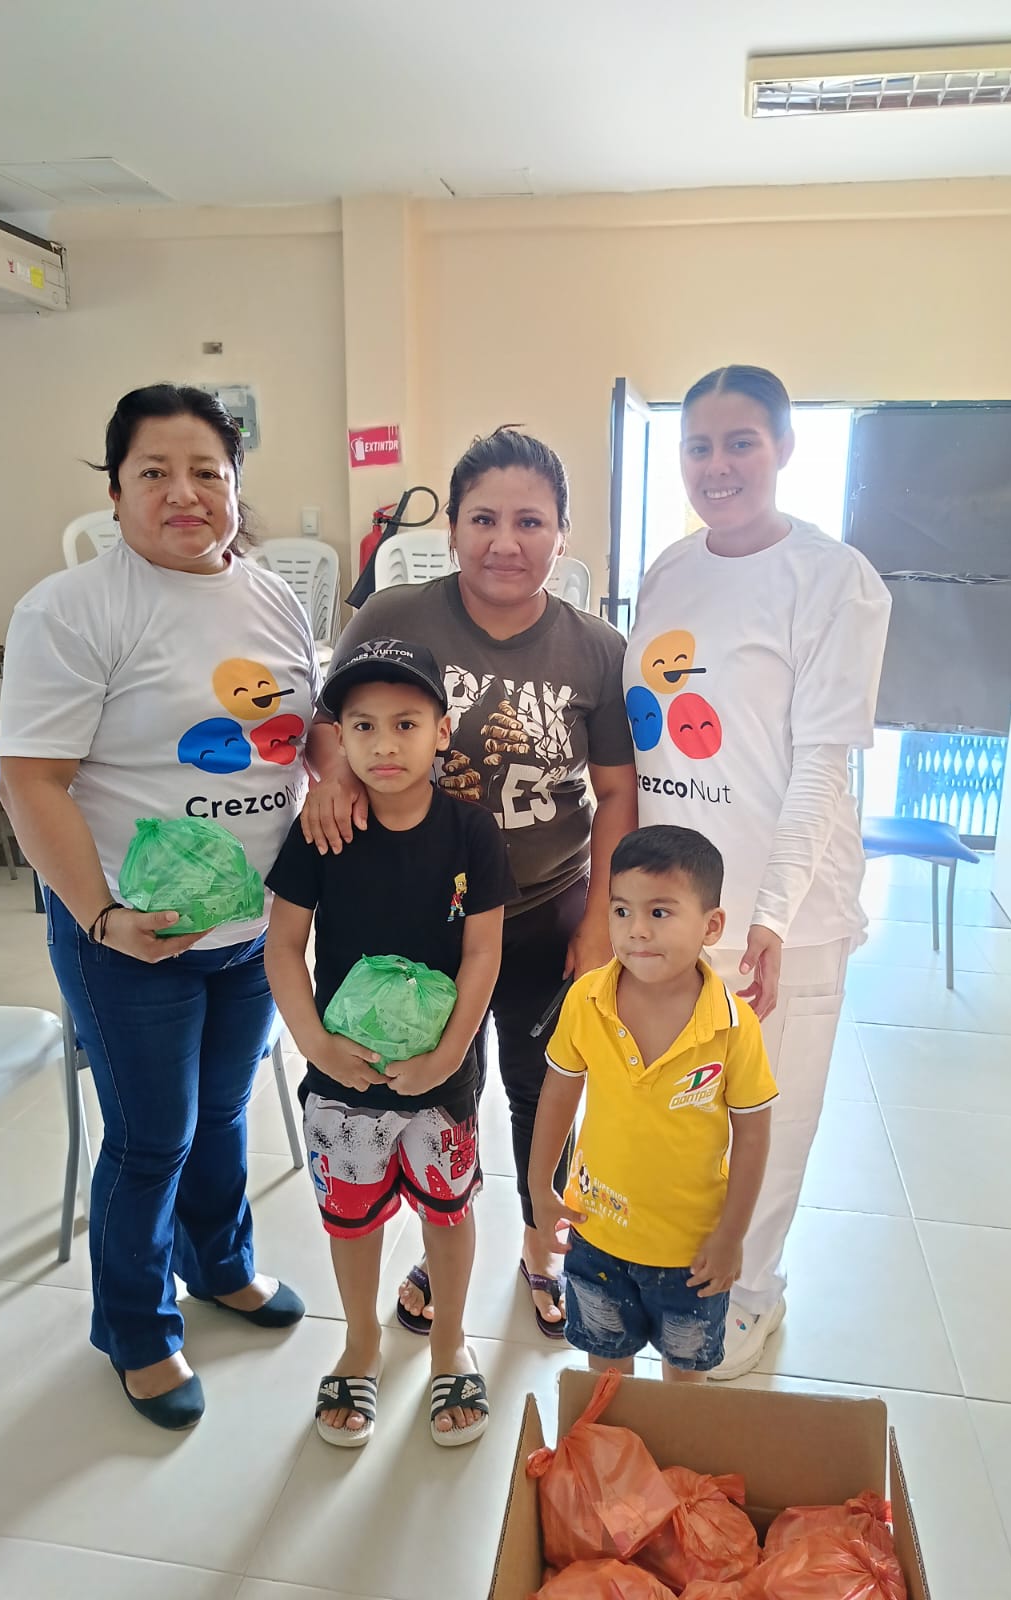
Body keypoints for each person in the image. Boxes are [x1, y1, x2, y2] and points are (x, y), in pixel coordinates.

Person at [0, 384, 325, 1429]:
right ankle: (137, 1328)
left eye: (206, 473)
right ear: (116, 489)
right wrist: (100, 916)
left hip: (253, 932)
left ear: (235, 485)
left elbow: (304, 732)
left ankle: (220, 1264)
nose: (185, 493)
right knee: (152, 1139)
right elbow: (32, 779)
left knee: (223, 1114)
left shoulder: (269, 596)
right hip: (130, 937)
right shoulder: (72, 608)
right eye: (155, 472)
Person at [302, 428, 637, 1337]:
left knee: (541, 1088)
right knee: (439, 1091)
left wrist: (600, 920)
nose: (505, 542)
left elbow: (616, 793)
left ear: (563, 534)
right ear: (452, 528)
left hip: (543, 908)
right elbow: (330, 723)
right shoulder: (394, 616)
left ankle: (541, 1246)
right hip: (422, 918)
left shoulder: (596, 649)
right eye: (484, 519)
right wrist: (334, 777)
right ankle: (439, 1244)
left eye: (531, 521)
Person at [625, 364, 891, 1379]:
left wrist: (770, 915)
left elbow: (823, 764)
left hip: (789, 916)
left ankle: (752, 1292)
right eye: (698, 445)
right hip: (678, 912)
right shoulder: (669, 569)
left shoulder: (832, 579)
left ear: (783, 447)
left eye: (741, 442)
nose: (718, 465)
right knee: (689, 1113)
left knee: (770, 1114)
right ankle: (692, 1267)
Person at [264, 638, 517, 1447]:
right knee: (352, 1217)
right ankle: (361, 1342)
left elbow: (483, 953)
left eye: (406, 723)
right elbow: (282, 947)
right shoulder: (322, 830)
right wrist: (314, 1045)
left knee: (448, 1210)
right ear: (338, 738)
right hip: (343, 1078)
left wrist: (448, 1054)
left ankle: (449, 1345)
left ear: (442, 731)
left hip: (443, 1078)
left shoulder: (472, 833)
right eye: (363, 725)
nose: (384, 744)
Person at [528, 825, 776, 1381]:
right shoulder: (587, 1000)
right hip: (596, 1235)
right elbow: (559, 1093)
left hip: (693, 1255)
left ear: (712, 925)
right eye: (621, 911)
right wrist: (540, 1184)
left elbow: (754, 1134)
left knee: (682, 1387)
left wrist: (731, 1236)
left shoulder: (734, 1026)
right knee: (606, 1378)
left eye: (660, 912)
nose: (636, 929)